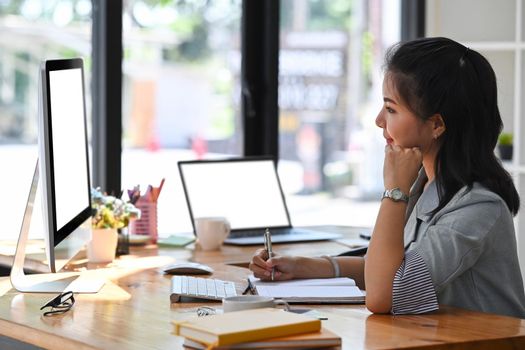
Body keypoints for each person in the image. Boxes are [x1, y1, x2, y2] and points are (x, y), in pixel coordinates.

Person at [249, 37, 525, 318]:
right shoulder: (426, 184)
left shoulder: (477, 207)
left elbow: (385, 294)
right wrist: (302, 266)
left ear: (437, 124)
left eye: (391, 109)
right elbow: (386, 268)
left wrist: (394, 191)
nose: (379, 120)